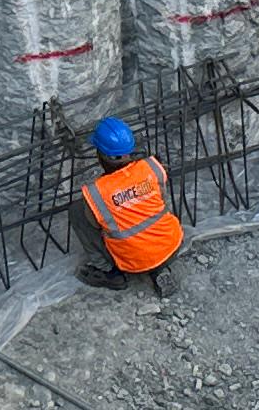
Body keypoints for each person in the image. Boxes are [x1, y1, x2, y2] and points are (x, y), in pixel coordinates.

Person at [76, 116, 187, 289]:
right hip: (172, 245)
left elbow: (97, 226)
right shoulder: (152, 167)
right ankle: (159, 267)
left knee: (77, 211)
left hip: (132, 264)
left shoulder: (96, 193)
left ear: (100, 154)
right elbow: (163, 202)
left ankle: (110, 272)